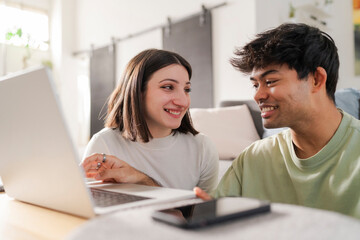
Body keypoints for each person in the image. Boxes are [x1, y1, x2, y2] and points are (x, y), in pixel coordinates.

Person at [194, 23, 360, 219]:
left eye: (270, 82)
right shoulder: (252, 160)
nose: (258, 95)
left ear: (316, 79)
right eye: (255, 85)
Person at [82, 49, 219, 192]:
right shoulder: (104, 144)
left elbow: (204, 212)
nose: (183, 101)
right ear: (137, 91)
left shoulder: (203, 149)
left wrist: (142, 180)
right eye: (168, 87)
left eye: (187, 89)